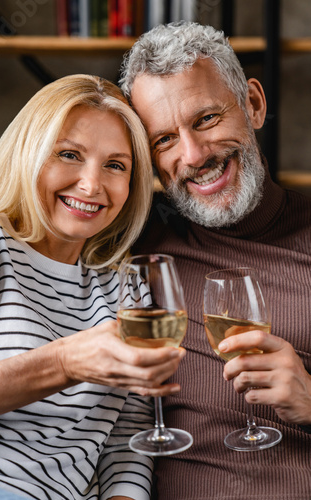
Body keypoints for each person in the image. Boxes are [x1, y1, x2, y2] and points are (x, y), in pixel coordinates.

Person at [119, 22, 311, 499]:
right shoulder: (132, 249)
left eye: (206, 119)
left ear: (254, 104)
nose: (193, 155)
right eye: (164, 140)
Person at [0, 74, 186, 500]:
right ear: (28, 153)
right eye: (69, 154)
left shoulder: (123, 286)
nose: (92, 185)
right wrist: (66, 363)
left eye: (115, 165)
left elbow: (128, 435)